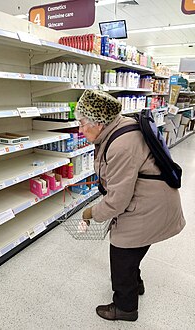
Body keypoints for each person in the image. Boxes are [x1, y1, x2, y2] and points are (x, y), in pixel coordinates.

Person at [75, 89, 186, 322]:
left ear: (100, 123)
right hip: (153, 201)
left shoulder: (121, 145)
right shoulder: (119, 128)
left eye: (83, 124)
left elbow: (117, 201)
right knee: (134, 249)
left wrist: (89, 213)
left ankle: (125, 307)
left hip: (150, 207)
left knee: (122, 254)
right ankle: (136, 285)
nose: (80, 130)